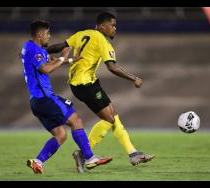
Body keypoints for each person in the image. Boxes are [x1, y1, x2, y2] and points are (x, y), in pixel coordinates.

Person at [46, 12, 155, 173]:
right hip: (85, 85)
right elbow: (112, 67)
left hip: (85, 83)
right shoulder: (102, 42)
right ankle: (83, 154)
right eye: (112, 25)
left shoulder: (83, 33)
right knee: (109, 119)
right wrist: (134, 78)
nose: (115, 28)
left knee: (113, 114)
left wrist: (39, 50)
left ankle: (133, 153)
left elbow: (60, 46)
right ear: (102, 26)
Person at [21, 20, 112, 174]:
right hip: (45, 98)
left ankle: (38, 161)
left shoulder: (34, 48)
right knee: (75, 119)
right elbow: (46, 68)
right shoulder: (33, 50)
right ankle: (89, 158)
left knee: (61, 135)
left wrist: (69, 59)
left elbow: (51, 61)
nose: (49, 37)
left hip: (36, 102)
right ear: (40, 34)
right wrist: (63, 58)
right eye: (48, 34)